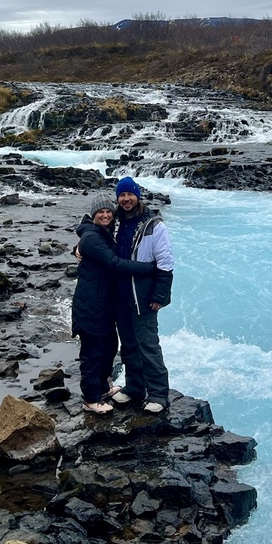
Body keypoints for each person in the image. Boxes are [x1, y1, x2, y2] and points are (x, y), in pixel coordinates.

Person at [72, 193, 158, 415]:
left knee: (109, 347)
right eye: (100, 212)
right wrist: (149, 268)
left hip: (104, 304)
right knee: (92, 352)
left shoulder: (104, 233)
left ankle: (102, 388)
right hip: (90, 304)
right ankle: (90, 399)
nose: (105, 215)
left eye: (108, 211)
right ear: (93, 215)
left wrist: (76, 249)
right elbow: (114, 263)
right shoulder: (92, 237)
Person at [109, 176, 174, 414]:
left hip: (143, 297)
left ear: (137, 196)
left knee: (148, 345)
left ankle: (158, 394)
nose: (126, 199)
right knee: (128, 345)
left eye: (130, 194)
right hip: (120, 295)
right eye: (122, 195)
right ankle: (135, 388)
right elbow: (90, 225)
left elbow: (166, 264)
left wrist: (160, 296)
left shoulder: (154, 226)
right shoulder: (114, 222)